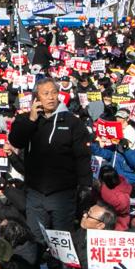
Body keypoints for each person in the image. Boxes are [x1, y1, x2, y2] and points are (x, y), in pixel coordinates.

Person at [8, 79, 91, 238]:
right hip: (35, 191)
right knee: (36, 237)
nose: (51, 97)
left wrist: (85, 185)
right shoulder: (25, 119)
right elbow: (16, 141)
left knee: (62, 239)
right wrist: (31, 120)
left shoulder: (72, 122)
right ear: (36, 98)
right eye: (46, 94)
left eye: (54, 92)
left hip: (63, 193)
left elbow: (82, 156)